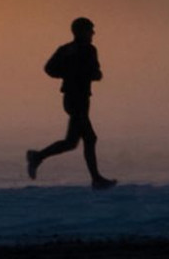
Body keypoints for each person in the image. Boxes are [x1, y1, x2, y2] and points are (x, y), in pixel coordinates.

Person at [26, 16, 116, 189]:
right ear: (81, 32)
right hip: (75, 99)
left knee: (71, 142)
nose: (93, 33)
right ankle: (96, 180)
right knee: (90, 138)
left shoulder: (78, 49)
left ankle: (37, 156)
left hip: (79, 98)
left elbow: (95, 72)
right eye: (90, 30)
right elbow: (50, 69)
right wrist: (72, 73)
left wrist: (81, 73)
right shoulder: (78, 50)